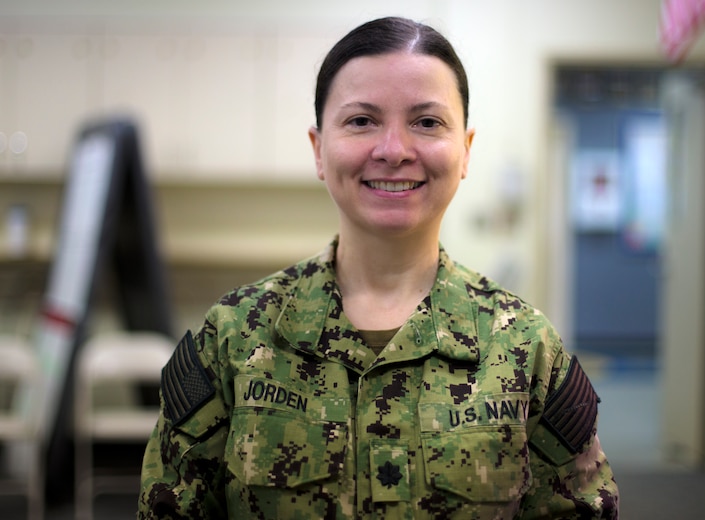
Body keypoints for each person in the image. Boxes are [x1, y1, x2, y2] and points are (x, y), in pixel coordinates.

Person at [137, 16, 619, 519]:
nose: (393, 150)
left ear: (465, 152)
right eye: (361, 121)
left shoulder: (526, 346)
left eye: (427, 122)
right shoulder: (234, 336)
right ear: (318, 149)